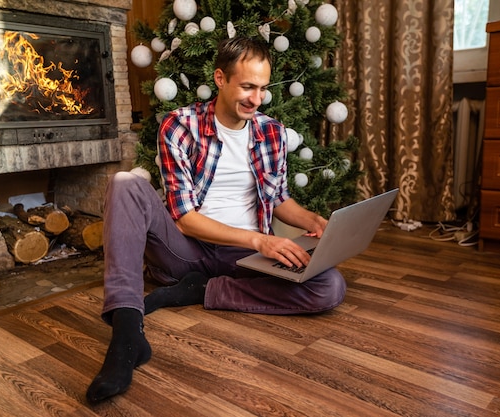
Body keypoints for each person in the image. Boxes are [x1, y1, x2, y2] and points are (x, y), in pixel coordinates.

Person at [86, 36, 346, 403]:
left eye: (262, 89)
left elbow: (278, 199)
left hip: (241, 258)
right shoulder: (180, 126)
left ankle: (201, 290)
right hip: (186, 249)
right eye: (247, 86)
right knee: (125, 183)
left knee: (329, 287)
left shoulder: (270, 132)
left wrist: (313, 219)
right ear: (221, 78)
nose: (256, 99)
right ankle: (127, 333)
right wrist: (260, 239)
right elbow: (185, 219)